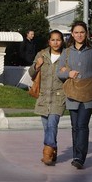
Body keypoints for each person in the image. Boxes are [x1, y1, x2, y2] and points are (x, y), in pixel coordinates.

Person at [57, 20, 92, 170]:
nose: (79, 35)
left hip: (89, 92)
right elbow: (59, 72)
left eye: (82, 32)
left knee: (82, 125)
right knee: (74, 126)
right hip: (72, 92)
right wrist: (68, 73)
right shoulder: (67, 52)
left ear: (86, 33)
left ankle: (80, 158)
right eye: (76, 32)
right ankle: (77, 154)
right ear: (72, 34)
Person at [31, 29, 67, 166]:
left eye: (58, 40)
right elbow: (31, 73)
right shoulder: (42, 55)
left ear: (62, 41)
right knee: (47, 128)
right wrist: (37, 65)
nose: (56, 42)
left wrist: (67, 71)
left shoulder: (66, 56)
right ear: (49, 41)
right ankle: (54, 148)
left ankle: (46, 153)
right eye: (53, 40)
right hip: (43, 98)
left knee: (52, 124)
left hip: (59, 97)